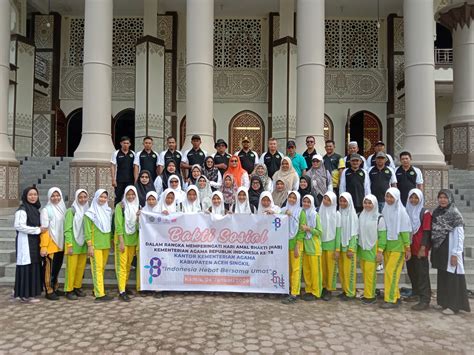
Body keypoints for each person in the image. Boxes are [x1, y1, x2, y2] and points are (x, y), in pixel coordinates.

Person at [431, 189, 470, 315]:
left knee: (453, 278)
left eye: (445, 197)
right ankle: (443, 302)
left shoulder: (454, 213)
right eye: (440, 197)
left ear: (450, 199)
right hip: (441, 250)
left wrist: (456, 253)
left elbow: (459, 235)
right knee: (443, 276)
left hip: (451, 251)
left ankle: (454, 306)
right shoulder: (437, 212)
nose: (442, 200)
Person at [379, 188, 412, 309]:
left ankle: (390, 299)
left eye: (391, 197)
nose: (389, 199)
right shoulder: (385, 209)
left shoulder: (401, 212)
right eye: (387, 196)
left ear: (396, 198)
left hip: (398, 247)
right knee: (390, 273)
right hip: (388, 246)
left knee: (390, 272)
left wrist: (407, 248)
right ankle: (395, 296)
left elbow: (404, 231)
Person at [14, 187, 45, 303]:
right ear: (25, 196)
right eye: (30, 195)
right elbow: (18, 226)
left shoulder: (35, 209)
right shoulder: (22, 210)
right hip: (25, 242)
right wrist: (37, 230)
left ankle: (31, 292)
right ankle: (24, 294)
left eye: (35, 194)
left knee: (33, 265)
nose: (33, 197)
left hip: (34, 242)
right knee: (26, 266)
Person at [405, 188, 432, 311]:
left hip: (420, 248)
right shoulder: (407, 211)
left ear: (420, 199)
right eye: (411, 197)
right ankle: (415, 293)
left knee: (422, 274)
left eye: (416, 197)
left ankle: (425, 299)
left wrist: (423, 248)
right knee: (412, 271)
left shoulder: (425, 213)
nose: (413, 200)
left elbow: (426, 231)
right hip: (409, 248)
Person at [84, 189, 113, 302]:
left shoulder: (108, 211)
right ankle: (100, 294)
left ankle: (97, 289)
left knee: (101, 268)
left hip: (105, 244)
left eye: (105, 197)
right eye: (101, 197)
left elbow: (108, 228)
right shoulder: (90, 214)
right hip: (95, 245)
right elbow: (87, 231)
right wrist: (90, 245)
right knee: (97, 269)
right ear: (96, 197)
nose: (103, 199)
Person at [358, 194, 386, 305]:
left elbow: (382, 236)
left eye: (370, 203)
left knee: (370, 274)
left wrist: (380, 251)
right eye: (365, 202)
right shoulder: (361, 215)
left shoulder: (379, 218)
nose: (367, 205)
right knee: (365, 274)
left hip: (372, 249)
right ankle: (368, 293)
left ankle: (370, 296)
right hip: (363, 249)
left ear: (374, 204)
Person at [40, 187, 66, 300]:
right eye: (53, 196)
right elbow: (44, 229)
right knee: (48, 269)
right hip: (50, 244)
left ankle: (55, 286)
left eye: (57, 195)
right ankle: (48, 290)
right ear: (49, 197)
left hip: (60, 243)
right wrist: (44, 246)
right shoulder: (46, 210)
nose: (56, 198)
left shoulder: (62, 208)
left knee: (56, 267)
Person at [114, 186, 139, 302]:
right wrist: (121, 241)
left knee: (128, 265)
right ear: (125, 195)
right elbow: (118, 225)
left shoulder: (137, 207)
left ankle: (124, 285)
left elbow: (138, 227)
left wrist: (139, 218)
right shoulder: (120, 207)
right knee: (122, 266)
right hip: (122, 240)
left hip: (132, 240)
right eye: (128, 194)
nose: (131, 196)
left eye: (133, 194)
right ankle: (122, 291)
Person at [63, 189, 89, 301]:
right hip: (73, 243)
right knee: (71, 268)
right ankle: (69, 289)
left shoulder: (88, 211)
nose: (82, 199)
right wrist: (69, 244)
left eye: (84, 197)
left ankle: (77, 287)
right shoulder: (71, 211)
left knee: (80, 267)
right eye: (80, 197)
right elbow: (67, 229)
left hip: (83, 243)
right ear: (76, 198)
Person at [281, 191, 303, 304]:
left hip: (295, 243)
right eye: (290, 197)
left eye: (294, 198)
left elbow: (301, 230)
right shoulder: (284, 209)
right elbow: (277, 216)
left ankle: (294, 292)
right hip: (285, 242)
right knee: (287, 268)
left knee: (295, 269)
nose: (292, 200)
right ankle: (287, 289)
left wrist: (297, 246)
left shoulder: (300, 212)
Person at [319, 191, 341, 301]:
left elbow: (338, 232)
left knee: (331, 269)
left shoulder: (337, 214)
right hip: (321, 245)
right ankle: (322, 287)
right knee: (322, 268)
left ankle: (330, 289)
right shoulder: (320, 211)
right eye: (325, 199)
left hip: (332, 245)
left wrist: (337, 249)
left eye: (329, 200)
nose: (326, 202)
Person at [301, 195, 323, 301]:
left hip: (314, 248)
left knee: (315, 272)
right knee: (307, 271)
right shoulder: (302, 213)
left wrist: (308, 229)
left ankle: (316, 292)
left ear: (312, 203)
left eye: (308, 202)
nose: (306, 204)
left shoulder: (315, 215)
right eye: (304, 201)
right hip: (305, 247)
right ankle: (309, 290)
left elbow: (319, 232)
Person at [338, 192, 359, 301]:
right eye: (341, 201)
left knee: (349, 271)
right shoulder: (340, 213)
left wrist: (351, 248)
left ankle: (350, 293)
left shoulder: (353, 215)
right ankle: (345, 290)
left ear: (349, 201)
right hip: (341, 246)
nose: (342, 203)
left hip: (349, 248)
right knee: (342, 271)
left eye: (344, 201)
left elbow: (354, 233)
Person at [111, 136, 135, 205]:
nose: (126, 145)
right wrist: (113, 179)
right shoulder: (116, 153)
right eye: (124, 143)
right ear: (121, 143)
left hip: (130, 180)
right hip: (119, 180)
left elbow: (135, 167)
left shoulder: (133, 154)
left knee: (130, 197)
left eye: (127, 143)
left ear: (130, 144)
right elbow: (112, 166)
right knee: (118, 198)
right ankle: (116, 213)